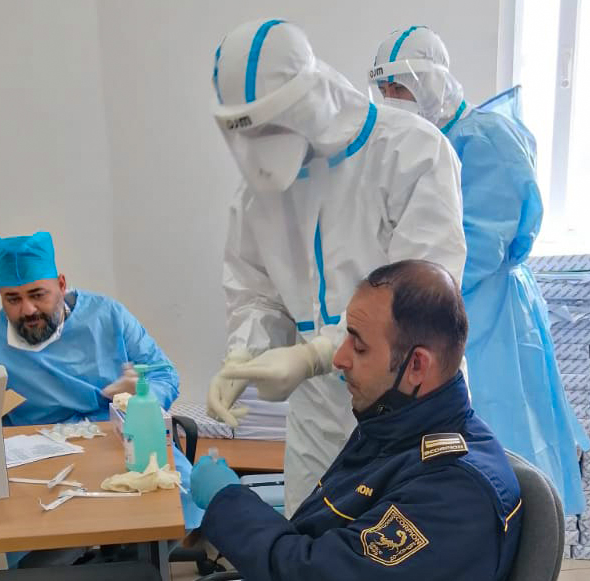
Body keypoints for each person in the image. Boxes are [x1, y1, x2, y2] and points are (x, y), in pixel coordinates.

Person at [206, 18, 467, 515]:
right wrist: (245, 355)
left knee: (408, 546)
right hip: (319, 418)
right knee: (307, 543)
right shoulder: (256, 197)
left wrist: (315, 355)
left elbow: (423, 303)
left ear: (307, 96)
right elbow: (255, 292)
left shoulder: (412, 153)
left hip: (411, 407)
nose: (259, 146)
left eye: (267, 125)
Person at [368, 25, 589, 514]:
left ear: (433, 82)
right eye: (384, 89)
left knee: (501, 430)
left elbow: (484, 242)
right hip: (445, 307)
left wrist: (409, 288)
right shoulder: (422, 144)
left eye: (400, 87)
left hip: (489, 313)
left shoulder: (484, 139)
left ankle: (515, 531)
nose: (391, 99)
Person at [192, 260, 522, 581]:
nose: (339, 358)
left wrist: (228, 500)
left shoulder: (455, 495)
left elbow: (310, 573)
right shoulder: (392, 426)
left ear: (417, 366)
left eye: (359, 347)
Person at [0, 231, 203, 566]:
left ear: (61, 284)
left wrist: (142, 395)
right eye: (13, 299)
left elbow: (164, 373)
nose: (28, 309)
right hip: (42, 456)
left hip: (119, 439)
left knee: (181, 492)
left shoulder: (107, 316)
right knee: (39, 533)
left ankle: (133, 565)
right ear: (0, 295)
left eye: (37, 295)